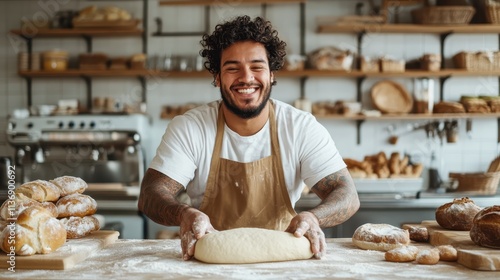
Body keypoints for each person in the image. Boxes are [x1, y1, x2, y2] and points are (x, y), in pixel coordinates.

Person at [138, 15, 360, 261]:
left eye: (257, 66)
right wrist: (185, 214)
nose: (246, 77)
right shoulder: (190, 128)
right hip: (210, 266)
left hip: (284, 263)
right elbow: (151, 193)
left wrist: (312, 218)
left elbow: (347, 193)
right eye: (232, 68)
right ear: (217, 77)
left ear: (272, 74)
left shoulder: (300, 127)